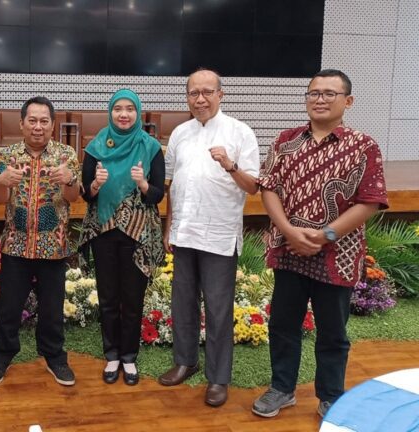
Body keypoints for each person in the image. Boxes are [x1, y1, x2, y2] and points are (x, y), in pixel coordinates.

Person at [252, 69, 388, 419]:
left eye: (330, 93)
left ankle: (331, 396)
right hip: (289, 250)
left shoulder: (363, 145)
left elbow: (370, 201)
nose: (320, 99)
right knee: (282, 324)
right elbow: (269, 188)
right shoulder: (286, 140)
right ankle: (282, 388)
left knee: (332, 331)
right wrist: (290, 231)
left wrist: (326, 234)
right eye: (314, 93)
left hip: (336, 255)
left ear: (348, 101)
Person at [158, 69, 260, 408]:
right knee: (183, 303)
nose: (199, 99)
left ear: (221, 94)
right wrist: (169, 228)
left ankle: (218, 378)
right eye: (193, 93)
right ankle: (186, 361)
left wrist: (230, 165)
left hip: (218, 235)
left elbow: (253, 187)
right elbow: (174, 185)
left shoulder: (240, 133)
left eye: (206, 92)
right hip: (184, 232)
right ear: (187, 97)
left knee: (218, 309)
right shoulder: (180, 133)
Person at [0, 96, 81, 387]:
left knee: (52, 307)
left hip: (54, 246)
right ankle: (2, 356)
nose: (38, 127)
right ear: (22, 124)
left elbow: (73, 199)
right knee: (9, 307)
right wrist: (1, 182)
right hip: (16, 245)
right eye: (32, 121)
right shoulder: (7, 156)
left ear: (53, 125)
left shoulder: (66, 155)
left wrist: (69, 180)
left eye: (44, 121)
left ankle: (54, 357)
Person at [80, 89, 166, 386]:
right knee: (108, 297)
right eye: (118, 109)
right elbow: (85, 195)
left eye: (130, 108)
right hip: (104, 231)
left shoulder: (151, 147)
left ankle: (129, 356)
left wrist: (142, 183)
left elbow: (157, 195)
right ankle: (112, 354)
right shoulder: (95, 147)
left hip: (138, 234)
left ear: (138, 112)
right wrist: (95, 185)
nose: (124, 114)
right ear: (110, 112)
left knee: (132, 298)